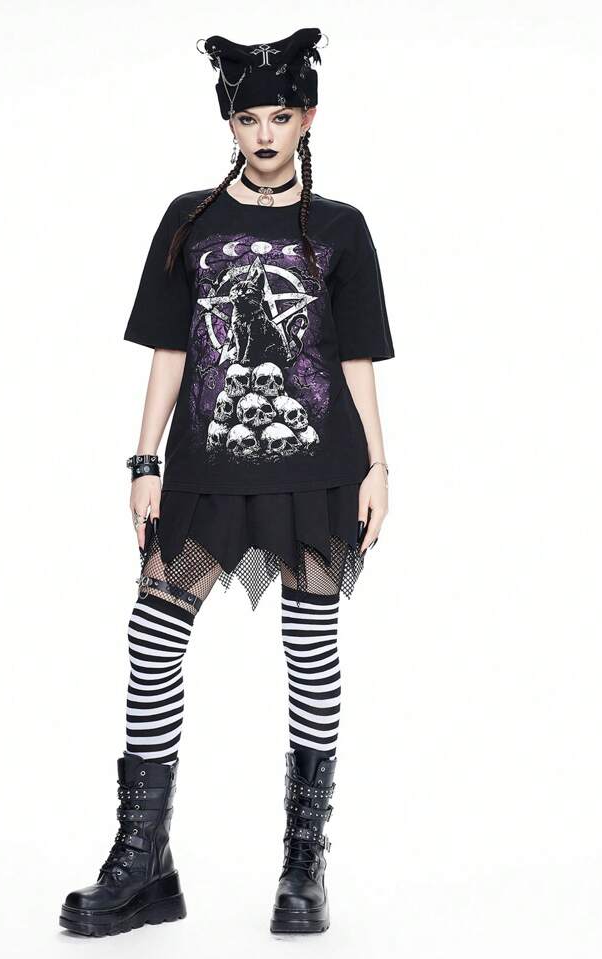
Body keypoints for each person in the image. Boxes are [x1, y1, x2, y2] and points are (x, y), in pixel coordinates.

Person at [59, 27, 395, 937]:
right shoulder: (190, 220)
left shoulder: (342, 228)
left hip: (318, 472)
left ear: (307, 118)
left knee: (310, 650)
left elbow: (357, 356)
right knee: (154, 633)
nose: (265, 133)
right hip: (204, 474)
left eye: (280, 116)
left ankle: (303, 866)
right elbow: (170, 350)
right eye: (250, 118)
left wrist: (378, 464)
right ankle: (143, 859)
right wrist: (145, 460)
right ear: (231, 124)